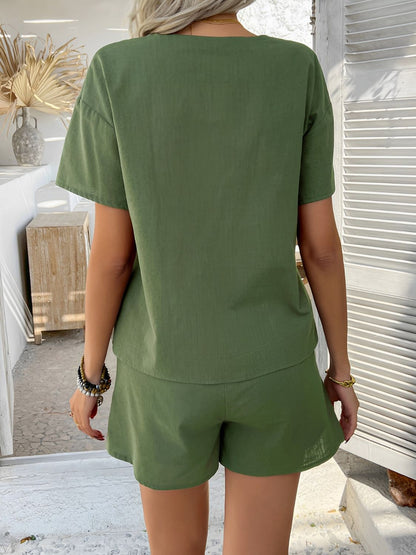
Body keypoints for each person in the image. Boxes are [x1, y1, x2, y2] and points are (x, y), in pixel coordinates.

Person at [55, 1, 360, 553]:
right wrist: (341, 370)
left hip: (164, 369)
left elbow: (112, 258)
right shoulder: (295, 68)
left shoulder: (116, 70)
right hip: (274, 366)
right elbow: (321, 250)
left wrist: (90, 375)